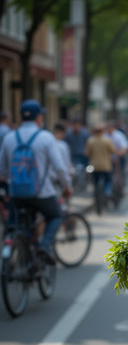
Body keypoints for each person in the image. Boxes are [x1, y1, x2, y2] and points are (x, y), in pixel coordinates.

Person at [0, 99, 73, 261]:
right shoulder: (46, 138)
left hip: (16, 194)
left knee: (16, 224)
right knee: (55, 216)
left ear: (20, 118)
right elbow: (60, 167)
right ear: (39, 117)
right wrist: (67, 186)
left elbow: (3, 171)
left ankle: (18, 251)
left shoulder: (9, 138)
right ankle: (44, 245)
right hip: (42, 194)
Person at [84, 122, 116, 204]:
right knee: (108, 181)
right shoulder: (107, 140)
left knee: (95, 182)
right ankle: (107, 192)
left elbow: (87, 153)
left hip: (94, 166)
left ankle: (95, 193)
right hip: (106, 166)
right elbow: (113, 150)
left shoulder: (90, 141)